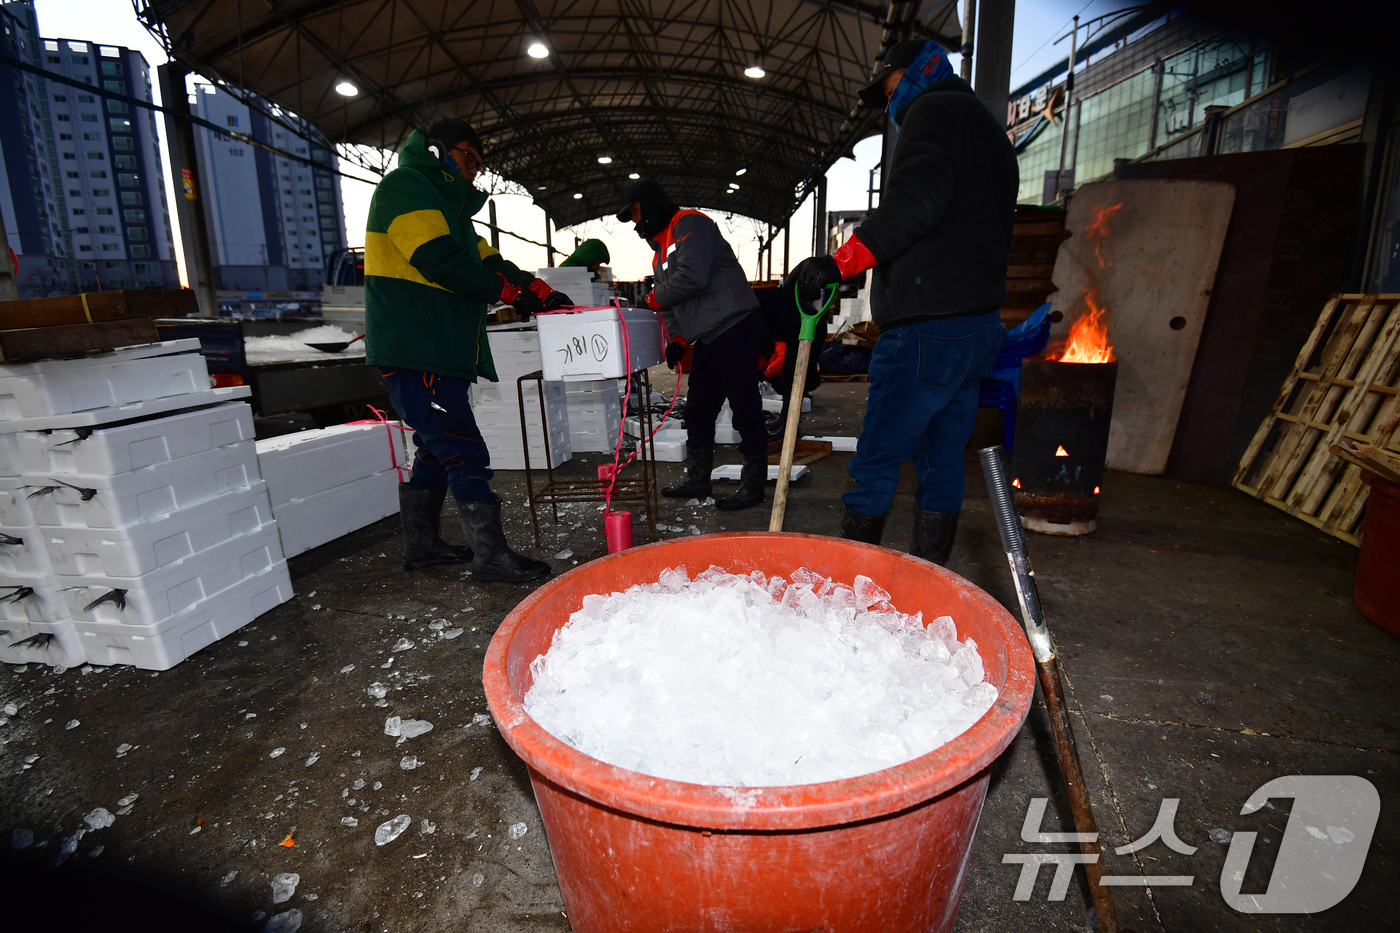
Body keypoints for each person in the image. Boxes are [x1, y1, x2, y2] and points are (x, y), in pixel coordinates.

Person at [788, 39, 1017, 564]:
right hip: (978, 327)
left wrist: (839, 263)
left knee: (876, 462)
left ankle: (852, 593)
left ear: (914, 72)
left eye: (890, 89)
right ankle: (928, 582)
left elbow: (916, 201)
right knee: (942, 460)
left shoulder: (932, 111)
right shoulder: (987, 128)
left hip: (925, 328)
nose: (890, 104)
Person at [365, 117, 573, 582]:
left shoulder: (451, 212)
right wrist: (508, 292)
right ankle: (490, 557)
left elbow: (490, 261)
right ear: (437, 151)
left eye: (479, 162)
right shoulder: (406, 188)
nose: (474, 169)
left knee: (435, 447)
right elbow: (439, 260)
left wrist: (537, 289)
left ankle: (422, 547)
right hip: (417, 345)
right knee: (462, 448)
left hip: (437, 348)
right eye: (468, 157)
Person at [615, 179, 767, 511]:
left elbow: (692, 278)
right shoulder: (658, 257)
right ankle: (698, 479)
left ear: (650, 205)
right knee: (698, 412)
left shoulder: (690, 223)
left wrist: (650, 299)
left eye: (637, 213)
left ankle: (753, 486)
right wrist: (678, 339)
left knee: (745, 409)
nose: (636, 223)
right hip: (708, 339)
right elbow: (668, 307)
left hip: (734, 330)